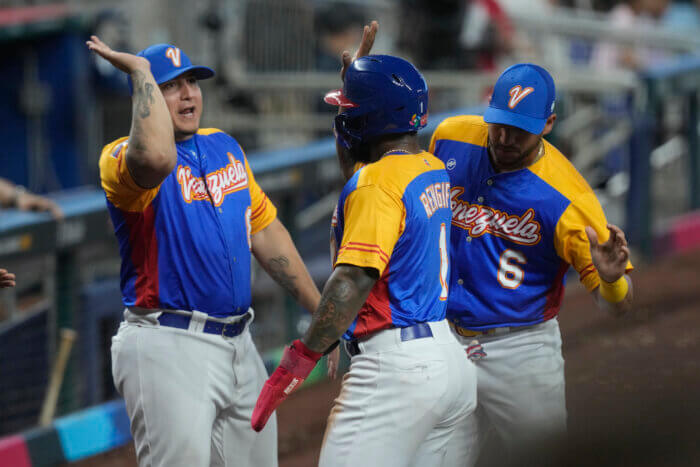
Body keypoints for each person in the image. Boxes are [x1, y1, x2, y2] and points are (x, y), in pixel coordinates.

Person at [87, 36, 324, 467]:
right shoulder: (121, 159)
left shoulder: (224, 147)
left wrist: (323, 315)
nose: (188, 93)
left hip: (240, 344)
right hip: (169, 343)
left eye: (192, 81)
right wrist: (141, 72)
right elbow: (158, 157)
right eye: (171, 86)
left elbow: (265, 231)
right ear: (146, 100)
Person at [250, 27, 478, 467]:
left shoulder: (376, 184)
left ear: (372, 118)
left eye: (350, 110)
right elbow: (360, 171)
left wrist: (303, 357)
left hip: (396, 372)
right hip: (449, 365)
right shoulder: (427, 167)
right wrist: (352, 85)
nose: (343, 117)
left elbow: (351, 280)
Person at [428, 63, 634, 465]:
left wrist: (611, 282)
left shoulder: (570, 200)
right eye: (498, 124)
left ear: (549, 123)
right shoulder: (450, 137)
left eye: (519, 130)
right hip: (445, 341)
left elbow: (619, 307)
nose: (504, 138)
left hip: (519, 349)